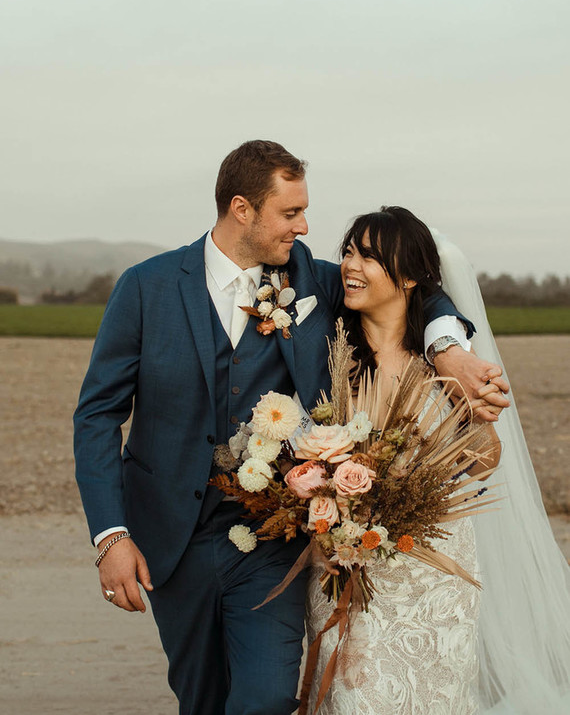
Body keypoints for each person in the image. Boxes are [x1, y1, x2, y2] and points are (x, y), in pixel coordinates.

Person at [73, 143, 507, 715]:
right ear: (241, 209)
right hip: (172, 536)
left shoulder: (318, 283)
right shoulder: (145, 287)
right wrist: (111, 535)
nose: (305, 227)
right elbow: (97, 415)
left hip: (274, 538)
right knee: (201, 697)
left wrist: (447, 350)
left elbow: (416, 289)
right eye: (291, 213)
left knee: (268, 696)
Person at [305, 206, 570, 715]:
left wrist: (471, 432)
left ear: (408, 277)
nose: (350, 265)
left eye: (369, 255)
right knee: (352, 698)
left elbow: (485, 462)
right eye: (348, 251)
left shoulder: (448, 367)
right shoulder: (329, 355)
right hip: (344, 565)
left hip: (433, 574)